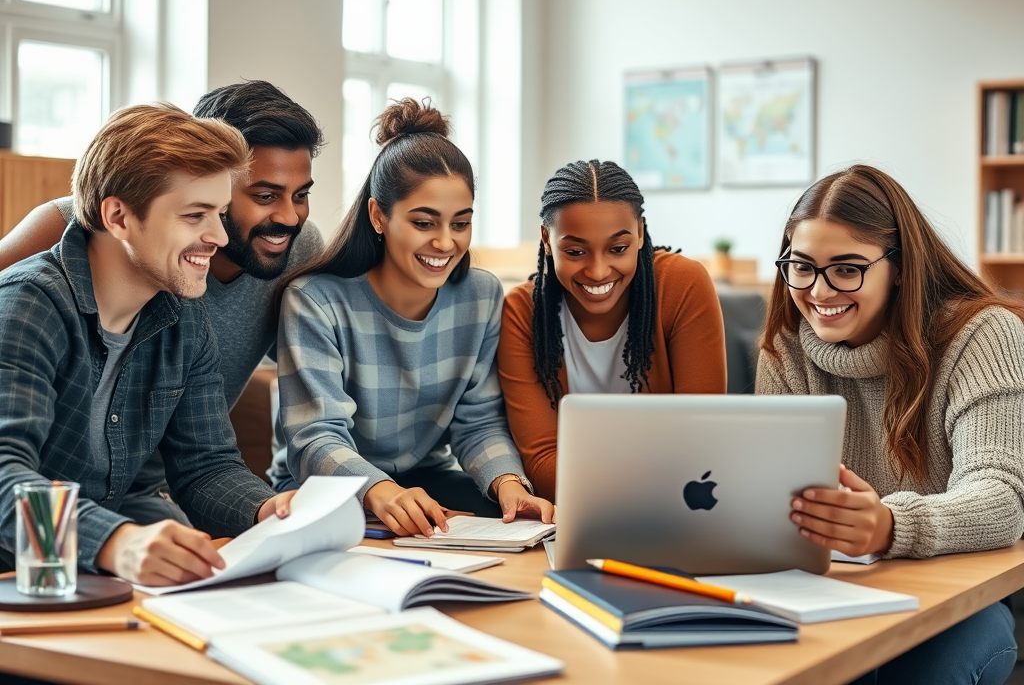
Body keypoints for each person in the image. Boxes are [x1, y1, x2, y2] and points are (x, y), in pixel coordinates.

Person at [0, 80, 324, 525]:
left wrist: (271, 511)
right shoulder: (29, 301)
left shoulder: (183, 312)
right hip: (34, 530)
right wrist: (115, 543)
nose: (219, 236)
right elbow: (8, 479)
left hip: (129, 500)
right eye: (196, 215)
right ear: (118, 217)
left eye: (218, 211)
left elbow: (206, 466)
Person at [757, 164, 1023, 685]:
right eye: (802, 266)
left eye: (847, 269)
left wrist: (888, 526)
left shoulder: (984, 334)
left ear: (898, 267)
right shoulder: (786, 349)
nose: (819, 291)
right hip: (827, 589)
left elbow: (1001, 500)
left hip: (957, 595)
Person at [269, 98, 554, 538]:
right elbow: (315, 437)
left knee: (523, 527)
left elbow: (478, 420)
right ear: (379, 216)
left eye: (460, 223)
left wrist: (508, 482)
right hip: (322, 488)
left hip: (425, 482)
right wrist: (380, 490)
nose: (445, 242)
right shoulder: (314, 301)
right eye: (425, 223)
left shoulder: (480, 295)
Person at [497, 160, 727, 501]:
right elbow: (544, 468)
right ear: (546, 239)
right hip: (592, 516)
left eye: (618, 249)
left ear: (640, 232)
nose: (598, 270)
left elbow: (702, 441)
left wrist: (598, 477)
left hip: (674, 514)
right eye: (575, 252)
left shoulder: (682, 285)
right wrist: (656, 476)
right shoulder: (522, 313)